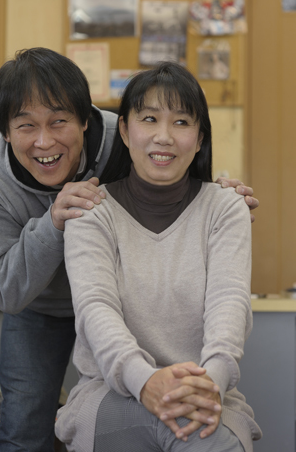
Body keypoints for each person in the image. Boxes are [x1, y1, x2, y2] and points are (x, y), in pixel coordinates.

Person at [0, 48, 258, 452]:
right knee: (23, 431)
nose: (44, 140)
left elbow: (170, 171)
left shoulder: (125, 135)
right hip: (40, 305)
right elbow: (3, 291)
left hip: (130, 301)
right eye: (26, 126)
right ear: (5, 131)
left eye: (59, 121)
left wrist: (217, 200)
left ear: (86, 120)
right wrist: (54, 223)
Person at [55, 62, 262, 452]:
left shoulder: (226, 209)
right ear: (126, 132)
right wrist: (145, 381)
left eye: (182, 122)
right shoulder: (89, 211)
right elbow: (95, 308)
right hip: (110, 392)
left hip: (206, 392)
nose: (164, 137)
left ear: (200, 138)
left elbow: (229, 302)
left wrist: (208, 384)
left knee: (207, 433)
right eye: (149, 119)